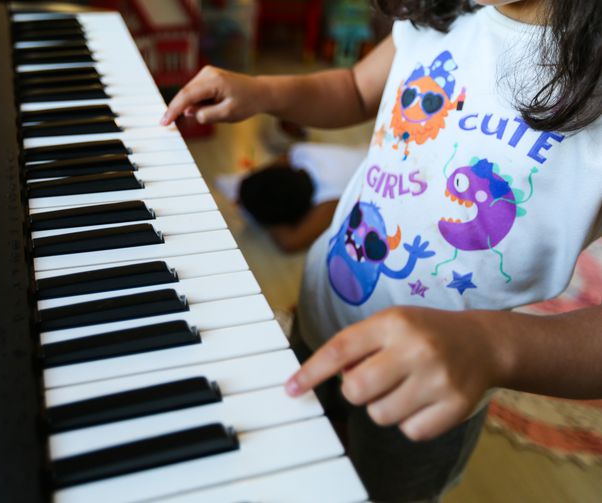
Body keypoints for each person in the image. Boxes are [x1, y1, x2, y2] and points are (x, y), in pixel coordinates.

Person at [161, 0, 602, 500]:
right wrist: (262, 91)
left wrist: (494, 346)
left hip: (425, 386)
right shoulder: (449, 12)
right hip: (322, 310)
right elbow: (352, 89)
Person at [216, 143, 365, 252]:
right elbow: (270, 172)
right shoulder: (301, 153)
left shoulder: (330, 200)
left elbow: (290, 243)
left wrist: (263, 216)